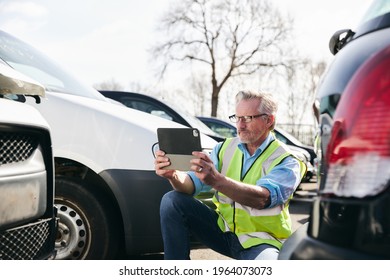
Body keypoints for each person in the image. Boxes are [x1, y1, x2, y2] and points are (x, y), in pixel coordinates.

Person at [154, 90, 306, 260]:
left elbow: (262, 198)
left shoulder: (288, 160)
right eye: (237, 117)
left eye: (247, 118)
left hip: (262, 240)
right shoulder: (223, 148)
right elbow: (190, 185)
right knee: (172, 200)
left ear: (268, 120)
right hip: (222, 230)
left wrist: (216, 180)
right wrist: (173, 175)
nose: (240, 125)